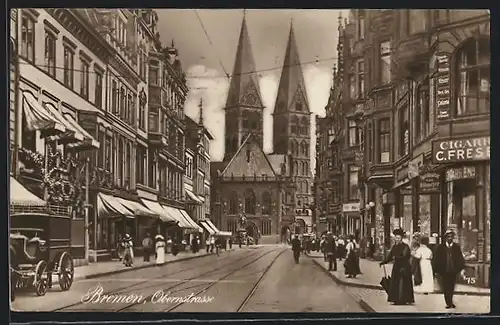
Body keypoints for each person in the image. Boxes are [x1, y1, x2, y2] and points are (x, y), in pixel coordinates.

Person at [380, 228, 415, 305]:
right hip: (397, 266)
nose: (397, 239)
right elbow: (390, 256)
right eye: (396, 238)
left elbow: (406, 256)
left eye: (399, 238)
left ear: (401, 238)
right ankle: (396, 299)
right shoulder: (394, 247)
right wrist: (384, 262)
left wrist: (397, 258)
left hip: (404, 266)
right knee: (396, 282)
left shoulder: (405, 246)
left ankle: (404, 299)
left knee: (403, 282)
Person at [432, 229, 466, 309]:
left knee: (451, 287)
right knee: (446, 287)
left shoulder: (456, 247)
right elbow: (436, 259)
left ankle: (450, 301)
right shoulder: (440, 247)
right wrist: (435, 270)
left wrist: (461, 268)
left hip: (453, 270)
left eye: (451, 237)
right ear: (445, 238)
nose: (450, 238)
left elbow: (460, 258)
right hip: (444, 271)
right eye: (448, 237)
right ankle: (448, 302)